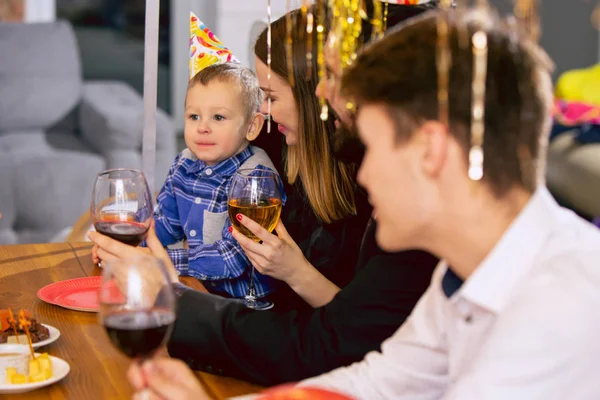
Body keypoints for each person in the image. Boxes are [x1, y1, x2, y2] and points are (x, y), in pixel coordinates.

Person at [90, 1, 438, 393]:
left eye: (270, 96)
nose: (326, 90)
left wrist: (166, 286)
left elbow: (333, 342)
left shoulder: (396, 211)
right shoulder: (280, 139)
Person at [295, 9, 600, 398]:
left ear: (431, 150)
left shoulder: (561, 302)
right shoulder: (463, 271)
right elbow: (378, 383)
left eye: (372, 147)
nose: (363, 175)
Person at [94, 62, 279, 301]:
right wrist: (123, 248)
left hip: (240, 306)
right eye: (194, 116)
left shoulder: (256, 178)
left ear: (252, 126)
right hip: (194, 288)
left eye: (218, 117)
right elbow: (165, 224)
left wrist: (157, 260)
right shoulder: (184, 164)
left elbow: (232, 258)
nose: (202, 127)